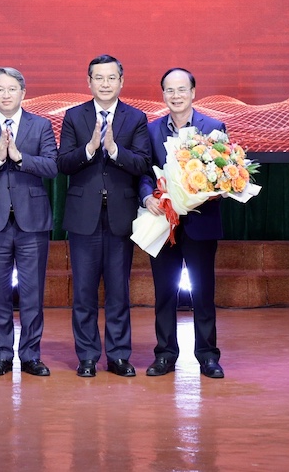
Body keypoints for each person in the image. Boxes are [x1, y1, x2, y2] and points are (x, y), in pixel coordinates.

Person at [57, 54, 153, 378]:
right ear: (89, 82)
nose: (105, 83)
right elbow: (63, 163)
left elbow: (142, 163)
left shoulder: (136, 118)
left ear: (121, 82)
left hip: (120, 218)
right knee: (83, 293)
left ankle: (118, 356)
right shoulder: (74, 116)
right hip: (83, 217)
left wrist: (113, 150)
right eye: (99, 78)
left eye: (112, 78)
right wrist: (89, 149)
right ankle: (87, 356)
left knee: (118, 293)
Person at [0, 67, 58, 378]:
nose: (6, 94)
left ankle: (31, 355)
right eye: (0, 89)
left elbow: (52, 166)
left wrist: (19, 157)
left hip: (33, 221)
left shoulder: (41, 125)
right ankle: (1, 354)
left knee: (32, 294)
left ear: (23, 93)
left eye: (12, 89)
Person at [139, 68, 227, 379]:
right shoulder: (151, 130)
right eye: (169, 90)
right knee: (164, 292)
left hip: (201, 222)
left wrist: (212, 190)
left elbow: (223, 171)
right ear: (163, 94)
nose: (175, 96)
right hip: (163, 221)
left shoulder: (213, 128)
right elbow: (143, 172)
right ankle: (165, 354)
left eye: (181, 90)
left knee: (203, 293)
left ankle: (207, 356)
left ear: (193, 92)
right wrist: (147, 197)